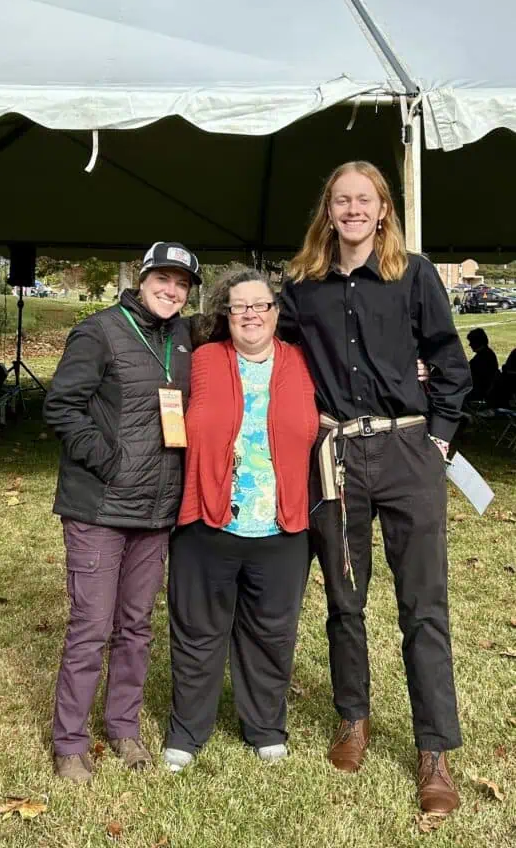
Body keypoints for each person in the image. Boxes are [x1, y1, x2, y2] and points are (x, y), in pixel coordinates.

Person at [278, 161, 471, 817]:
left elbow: (448, 360)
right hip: (335, 456)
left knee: (423, 606)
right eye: (341, 200)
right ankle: (352, 718)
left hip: (406, 450)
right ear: (327, 211)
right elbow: (276, 359)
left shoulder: (411, 274)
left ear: (382, 209)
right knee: (343, 596)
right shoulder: (301, 284)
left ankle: (434, 752)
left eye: (364, 199)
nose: (353, 209)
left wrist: (438, 438)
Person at [44, 241, 201, 783]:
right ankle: (69, 742)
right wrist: (108, 461)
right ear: (142, 277)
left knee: (135, 626)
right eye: (163, 278)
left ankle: (124, 727)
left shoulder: (183, 336)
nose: (171, 290)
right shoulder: (100, 330)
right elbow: (61, 406)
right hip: (100, 506)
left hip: (156, 511)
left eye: (182, 284)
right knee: (91, 625)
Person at [163, 270, 318, 773]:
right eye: (238, 307)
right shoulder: (201, 362)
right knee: (197, 631)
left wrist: (419, 371)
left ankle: (265, 727)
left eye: (260, 305)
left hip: (281, 525)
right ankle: (187, 732)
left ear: (277, 311)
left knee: (272, 633)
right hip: (207, 522)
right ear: (223, 315)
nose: (250, 314)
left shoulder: (304, 362)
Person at [466, 328, 499, 402]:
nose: (470, 344)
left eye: (471, 342)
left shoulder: (483, 357)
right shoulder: (486, 353)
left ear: (477, 342)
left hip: (480, 393)